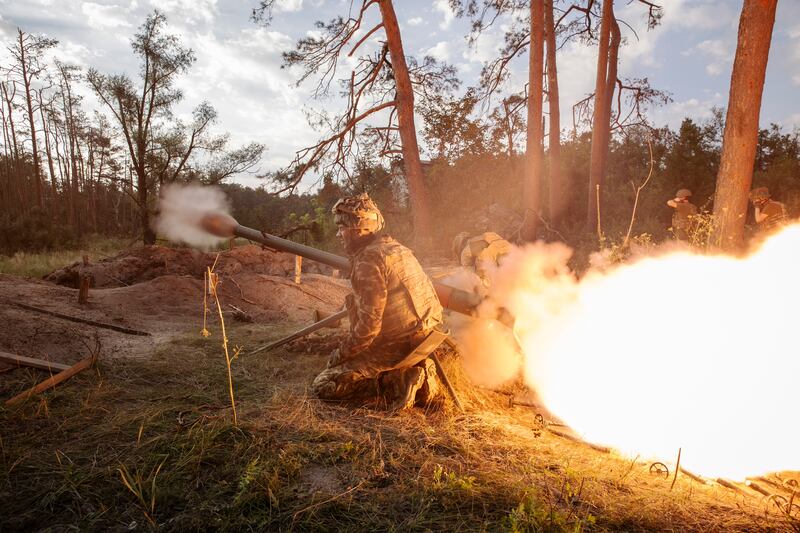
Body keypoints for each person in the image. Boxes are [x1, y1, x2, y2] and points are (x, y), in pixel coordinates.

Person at [311, 193, 444, 410]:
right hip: (428, 338)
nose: (339, 234)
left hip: (399, 345)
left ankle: (398, 383)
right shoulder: (396, 249)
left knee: (325, 385)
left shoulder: (368, 260)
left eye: (342, 228)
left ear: (358, 229)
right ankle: (416, 375)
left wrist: (340, 354)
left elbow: (369, 328)